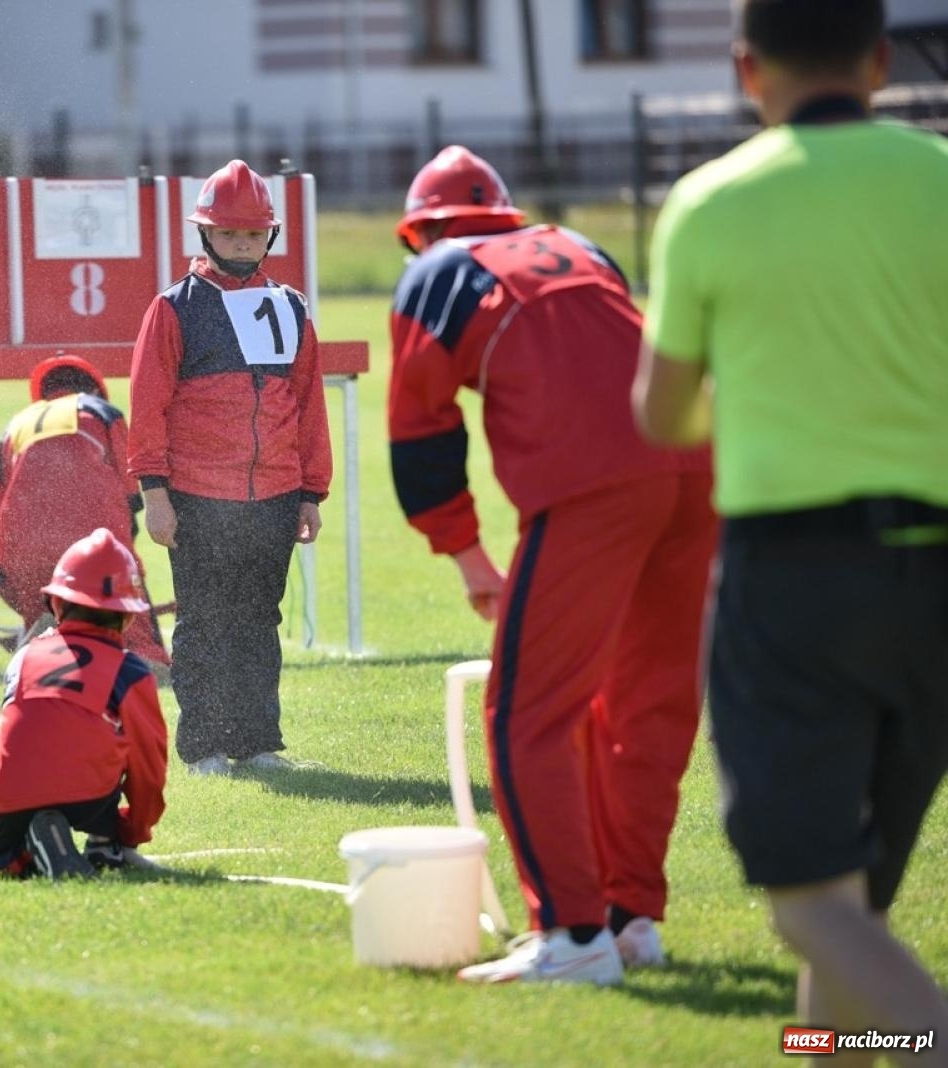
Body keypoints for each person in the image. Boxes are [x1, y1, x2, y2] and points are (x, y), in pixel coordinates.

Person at [634, 0, 948, 1043]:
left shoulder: (710, 202)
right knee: (852, 907)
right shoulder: (938, 179)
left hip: (794, 578)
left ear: (743, 69)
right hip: (935, 572)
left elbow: (660, 412)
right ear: (874, 62)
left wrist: (762, 388)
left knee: (810, 902)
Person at [388, 146, 716, 984]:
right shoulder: (579, 246)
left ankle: (573, 938)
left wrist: (464, 555)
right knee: (645, 710)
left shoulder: (437, 271)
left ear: (420, 230)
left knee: (525, 714)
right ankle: (629, 918)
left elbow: (421, 433)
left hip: (596, 486)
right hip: (697, 465)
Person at [127, 159, 332, 776]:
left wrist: (310, 492)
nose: (240, 245)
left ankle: (257, 742)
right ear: (204, 236)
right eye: (228, 234)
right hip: (196, 497)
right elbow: (147, 404)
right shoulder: (173, 309)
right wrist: (155, 494)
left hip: (273, 497)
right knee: (204, 623)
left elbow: (309, 403)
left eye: (251, 235)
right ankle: (204, 747)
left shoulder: (290, 307)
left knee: (258, 622)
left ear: (268, 237)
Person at [0, 528, 169, 880]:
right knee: (105, 741)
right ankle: (105, 843)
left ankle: (37, 840)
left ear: (57, 604)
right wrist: (133, 830)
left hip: (13, 793)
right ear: (127, 617)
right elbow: (148, 765)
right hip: (91, 798)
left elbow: (13, 735)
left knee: (0, 866)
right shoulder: (130, 671)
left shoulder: (24, 657)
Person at [0, 354, 168, 664]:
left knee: (45, 660)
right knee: (146, 660)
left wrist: (22, 603)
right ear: (94, 388)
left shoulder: (15, 427)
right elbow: (132, 497)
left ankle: (44, 639)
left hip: (24, 552)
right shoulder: (103, 412)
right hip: (99, 549)